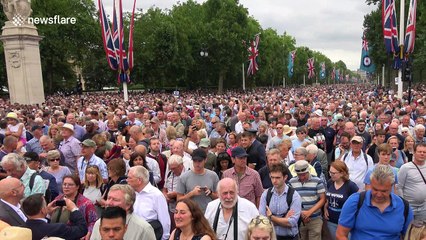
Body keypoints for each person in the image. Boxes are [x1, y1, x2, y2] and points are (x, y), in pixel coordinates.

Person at [338, 163, 415, 238]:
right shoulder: (355, 202)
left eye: (384, 191)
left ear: (391, 186)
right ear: (370, 184)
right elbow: (340, 234)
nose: (379, 194)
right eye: (375, 189)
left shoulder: (404, 207)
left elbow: (411, 236)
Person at [90, 184, 156, 240]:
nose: (109, 203)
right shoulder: (99, 223)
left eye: (115, 200)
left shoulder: (144, 229)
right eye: (109, 198)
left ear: (128, 204)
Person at [259, 163, 302, 240]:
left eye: (278, 178)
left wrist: (271, 217)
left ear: (285, 177)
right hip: (271, 237)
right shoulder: (266, 194)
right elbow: (262, 222)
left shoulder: (294, 196)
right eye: (272, 177)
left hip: (290, 237)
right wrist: (284, 219)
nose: (274, 181)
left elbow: (291, 222)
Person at [127, 165, 170, 240]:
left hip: (150, 235)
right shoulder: (131, 193)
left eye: (130, 178)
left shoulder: (156, 195)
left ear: (139, 180)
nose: (127, 180)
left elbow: (164, 220)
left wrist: (164, 238)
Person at [22, 193, 88, 240]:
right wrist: (74, 209)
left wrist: (47, 214)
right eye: (45, 205)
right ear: (42, 210)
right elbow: (82, 230)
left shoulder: (21, 229)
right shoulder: (57, 229)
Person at [51, 174, 98, 240]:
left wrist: (89, 232)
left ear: (77, 186)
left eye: (70, 184)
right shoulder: (57, 199)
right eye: (64, 184)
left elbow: (93, 221)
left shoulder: (86, 203)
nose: (66, 187)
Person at [288, 160, 325, 240]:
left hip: (315, 219)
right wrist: (301, 214)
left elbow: (322, 199)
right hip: (299, 219)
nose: (302, 177)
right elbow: (290, 201)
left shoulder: (317, 181)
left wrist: (309, 212)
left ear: (308, 171)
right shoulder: (291, 182)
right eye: (299, 175)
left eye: (304, 174)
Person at [176, 148, 219, 213]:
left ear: (205, 160)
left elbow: (219, 197)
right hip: (191, 213)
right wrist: (191, 193)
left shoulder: (213, 175)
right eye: (195, 161)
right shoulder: (184, 177)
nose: (197, 163)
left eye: (199, 161)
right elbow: (178, 200)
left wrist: (210, 193)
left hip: (209, 213)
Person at [324, 161, 358, 240]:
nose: (330, 175)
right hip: (331, 220)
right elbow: (328, 197)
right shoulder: (330, 183)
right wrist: (325, 207)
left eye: (334, 173)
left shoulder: (351, 186)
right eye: (330, 172)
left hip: (345, 223)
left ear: (342, 173)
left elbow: (358, 201)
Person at [398, 143, 426, 221]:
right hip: (409, 207)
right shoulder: (405, 168)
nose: (422, 154)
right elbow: (399, 187)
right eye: (419, 152)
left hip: (424, 208)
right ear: (414, 152)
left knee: (421, 231)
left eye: (424, 152)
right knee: (408, 230)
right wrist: (403, 204)